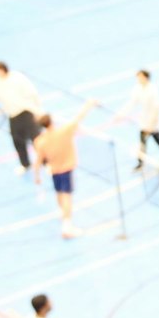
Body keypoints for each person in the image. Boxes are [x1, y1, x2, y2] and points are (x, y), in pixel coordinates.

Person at [32, 100, 97, 238]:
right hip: (66, 169)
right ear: (52, 122)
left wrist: (37, 176)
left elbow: (37, 161)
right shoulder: (64, 131)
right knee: (67, 196)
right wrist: (89, 105)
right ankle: (67, 227)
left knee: (59, 194)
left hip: (54, 171)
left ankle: (64, 216)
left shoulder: (40, 141)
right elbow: (79, 117)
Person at [112, 69, 159, 170]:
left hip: (153, 122)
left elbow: (156, 108)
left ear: (145, 77)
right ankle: (140, 162)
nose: (138, 79)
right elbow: (131, 103)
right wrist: (120, 114)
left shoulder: (152, 90)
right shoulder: (137, 89)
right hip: (144, 121)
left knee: (158, 141)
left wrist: (152, 125)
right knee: (142, 142)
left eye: (140, 77)